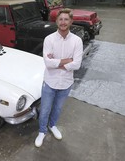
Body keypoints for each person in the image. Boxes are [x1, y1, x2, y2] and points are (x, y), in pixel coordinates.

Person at [35, 8, 83, 147]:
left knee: (57, 109)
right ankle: (42, 131)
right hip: (50, 81)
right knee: (45, 109)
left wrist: (57, 62)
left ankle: (52, 125)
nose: (63, 22)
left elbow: (77, 64)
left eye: (66, 19)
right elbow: (48, 63)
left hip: (66, 83)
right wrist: (67, 60)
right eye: (60, 19)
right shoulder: (49, 39)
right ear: (56, 21)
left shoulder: (77, 41)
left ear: (71, 21)